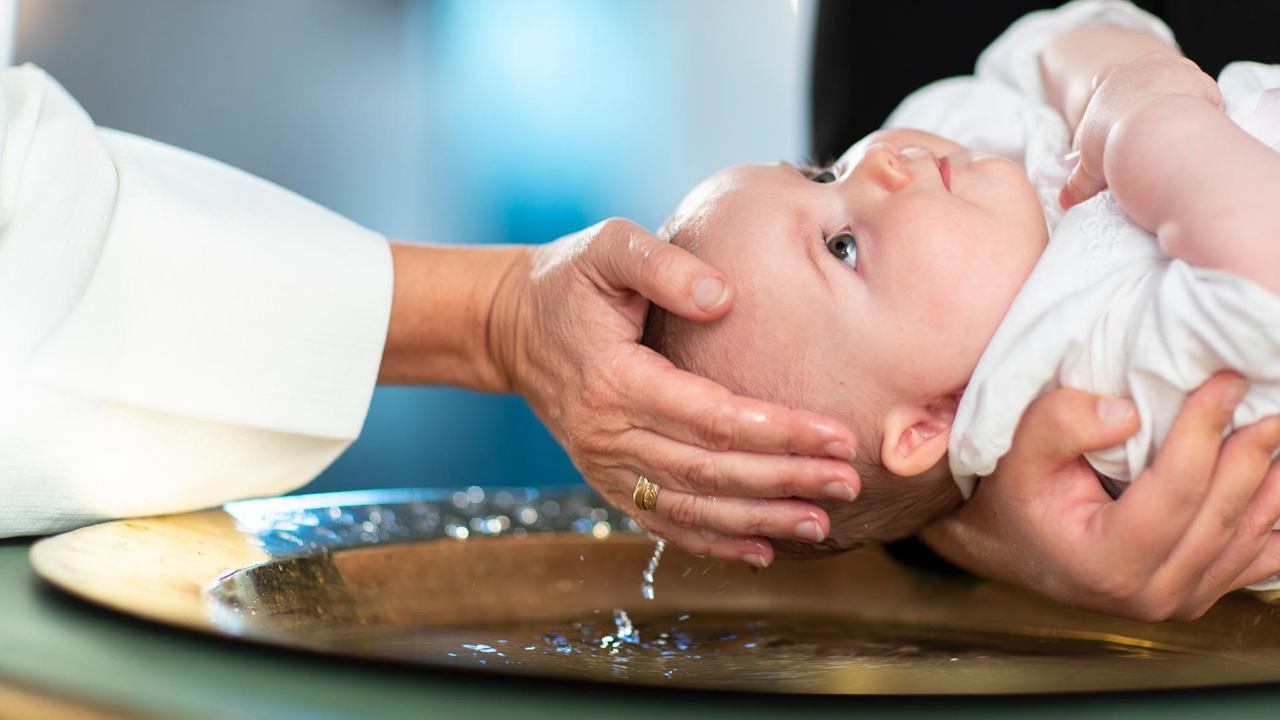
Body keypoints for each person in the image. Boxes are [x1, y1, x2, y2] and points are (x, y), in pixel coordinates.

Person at [640, 1, 1280, 616]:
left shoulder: (972, 157)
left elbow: (1044, 41)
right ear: (928, 424)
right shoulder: (1106, 385)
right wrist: (1148, 122)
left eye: (820, 173)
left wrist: (1111, 80)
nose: (876, 163)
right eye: (842, 248)